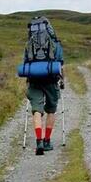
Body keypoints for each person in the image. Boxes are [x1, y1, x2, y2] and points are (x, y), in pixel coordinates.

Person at [24, 16, 64, 156]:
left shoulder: (30, 43)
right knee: (51, 110)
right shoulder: (55, 44)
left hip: (34, 80)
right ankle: (47, 141)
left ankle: (38, 141)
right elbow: (60, 63)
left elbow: (26, 62)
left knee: (36, 110)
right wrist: (62, 80)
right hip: (51, 81)